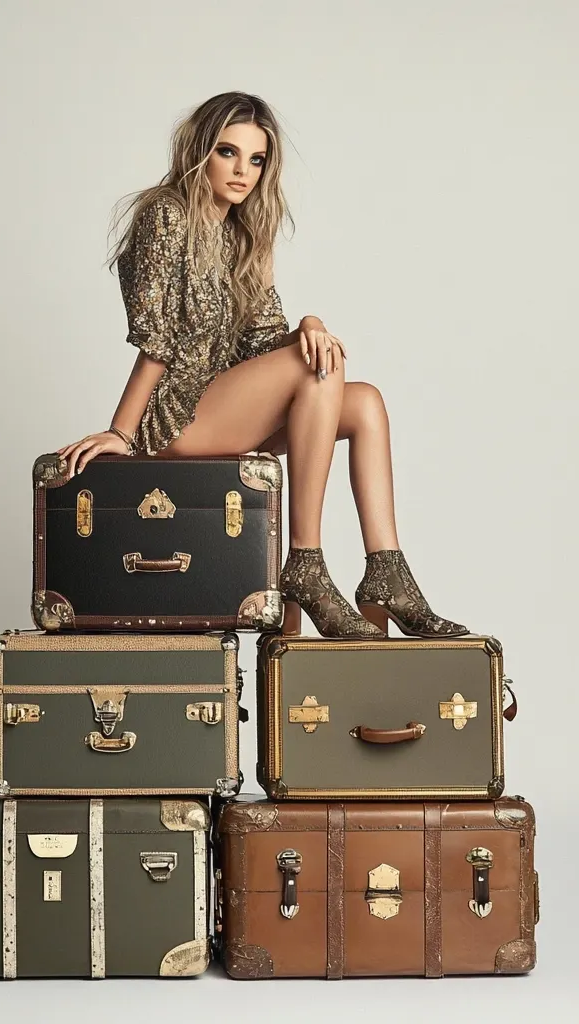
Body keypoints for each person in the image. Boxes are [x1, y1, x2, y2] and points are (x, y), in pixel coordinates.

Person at [58, 91, 467, 639]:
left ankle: (385, 571)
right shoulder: (166, 215)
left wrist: (310, 324)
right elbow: (155, 341)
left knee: (364, 400)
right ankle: (305, 560)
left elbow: (266, 343)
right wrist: (120, 431)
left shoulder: (244, 232)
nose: (242, 171)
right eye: (228, 153)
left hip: (229, 401)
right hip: (179, 416)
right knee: (312, 367)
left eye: (256, 159)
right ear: (200, 151)